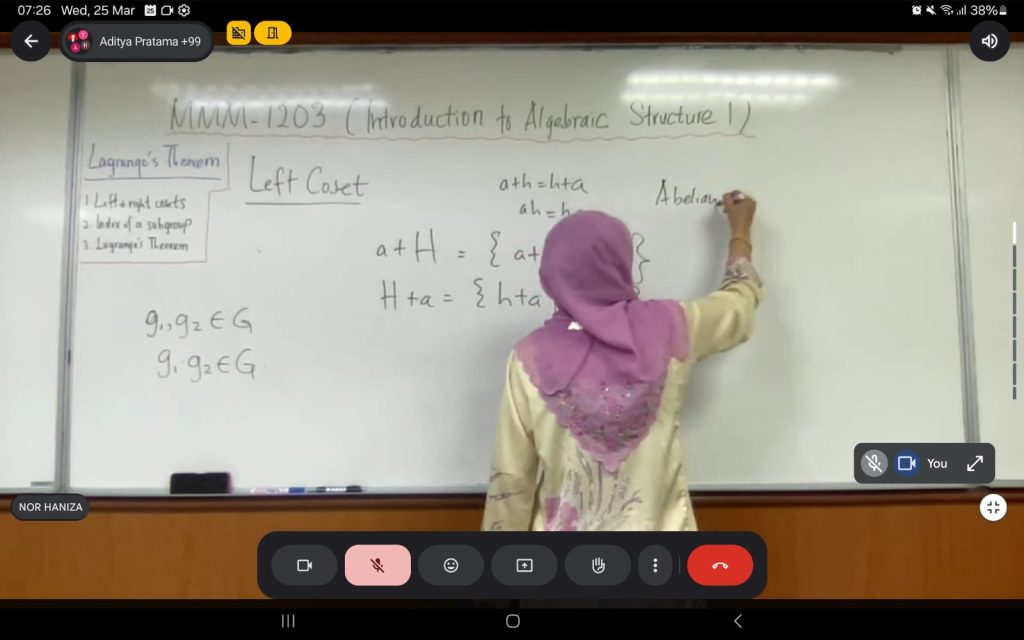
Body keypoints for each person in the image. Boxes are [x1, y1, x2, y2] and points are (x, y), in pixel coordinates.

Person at [482, 191, 761, 532]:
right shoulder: (671, 327)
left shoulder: (530, 357)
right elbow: (739, 303)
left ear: (550, 275)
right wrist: (740, 232)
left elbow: (511, 480)